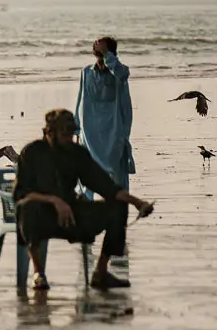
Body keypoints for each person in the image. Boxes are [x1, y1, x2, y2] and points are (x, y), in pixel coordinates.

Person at [14, 109, 155, 292]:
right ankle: (38, 273)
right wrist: (55, 201)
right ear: (49, 133)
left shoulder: (76, 153)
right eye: (65, 135)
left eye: (71, 134)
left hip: (71, 215)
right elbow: (21, 194)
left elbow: (105, 186)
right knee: (28, 209)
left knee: (117, 208)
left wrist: (137, 202)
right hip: (42, 214)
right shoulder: (32, 153)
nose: (69, 139)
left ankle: (101, 272)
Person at [75, 36, 134, 192]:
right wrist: (76, 127)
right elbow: (80, 99)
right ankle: (87, 211)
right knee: (87, 175)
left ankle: (118, 210)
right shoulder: (86, 72)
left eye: (103, 54)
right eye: (98, 54)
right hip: (90, 132)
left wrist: (107, 55)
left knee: (117, 175)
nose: (100, 59)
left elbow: (122, 74)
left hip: (114, 130)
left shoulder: (119, 73)